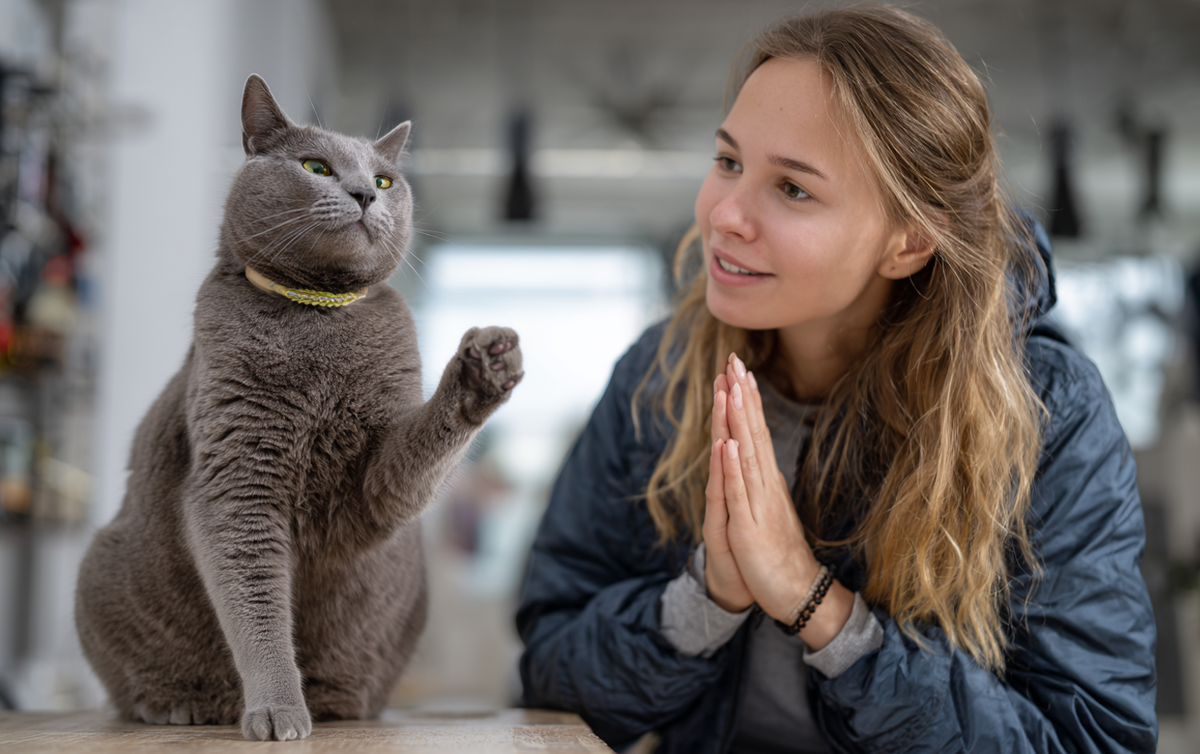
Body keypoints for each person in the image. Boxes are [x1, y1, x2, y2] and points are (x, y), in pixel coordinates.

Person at [516, 6, 1158, 754]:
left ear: (910, 241)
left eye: (792, 189)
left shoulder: (1049, 411)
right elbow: (548, 671)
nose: (724, 214)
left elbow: (1097, 742)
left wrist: (820, 608)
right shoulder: (659, 378)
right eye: (729, 161)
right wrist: (709, 596)